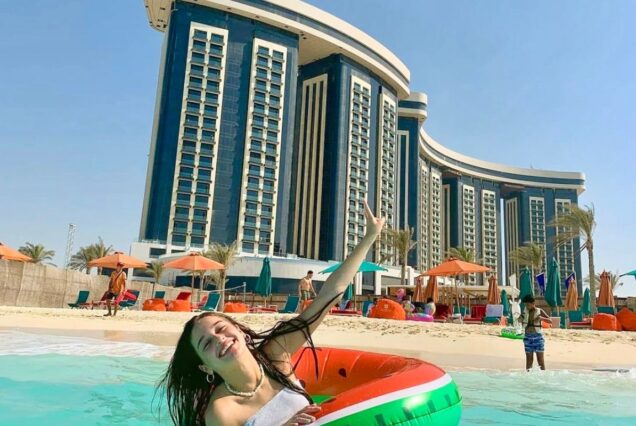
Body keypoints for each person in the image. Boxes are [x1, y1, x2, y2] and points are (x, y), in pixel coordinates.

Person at [159, 201, 385, 425]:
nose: (219, 339)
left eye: (221, 328)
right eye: (206, 344)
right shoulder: (222, 411)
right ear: (205, 366)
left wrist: (370, 237)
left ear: (240, 331)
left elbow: (329, 295)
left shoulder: (276, 354)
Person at [519, 295, 551, 371]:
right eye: (526, 305)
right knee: (529, 360)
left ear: (533, 303)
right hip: (527, 338)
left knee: (540, 360)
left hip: (538, 338)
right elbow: (519, 320)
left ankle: (543, 377)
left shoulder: (540, 311)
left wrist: (541, 318)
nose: (527, 307)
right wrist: (519, 319)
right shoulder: (525, 312)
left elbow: (550, 321)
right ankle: (528, 379)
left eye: (528, 305)